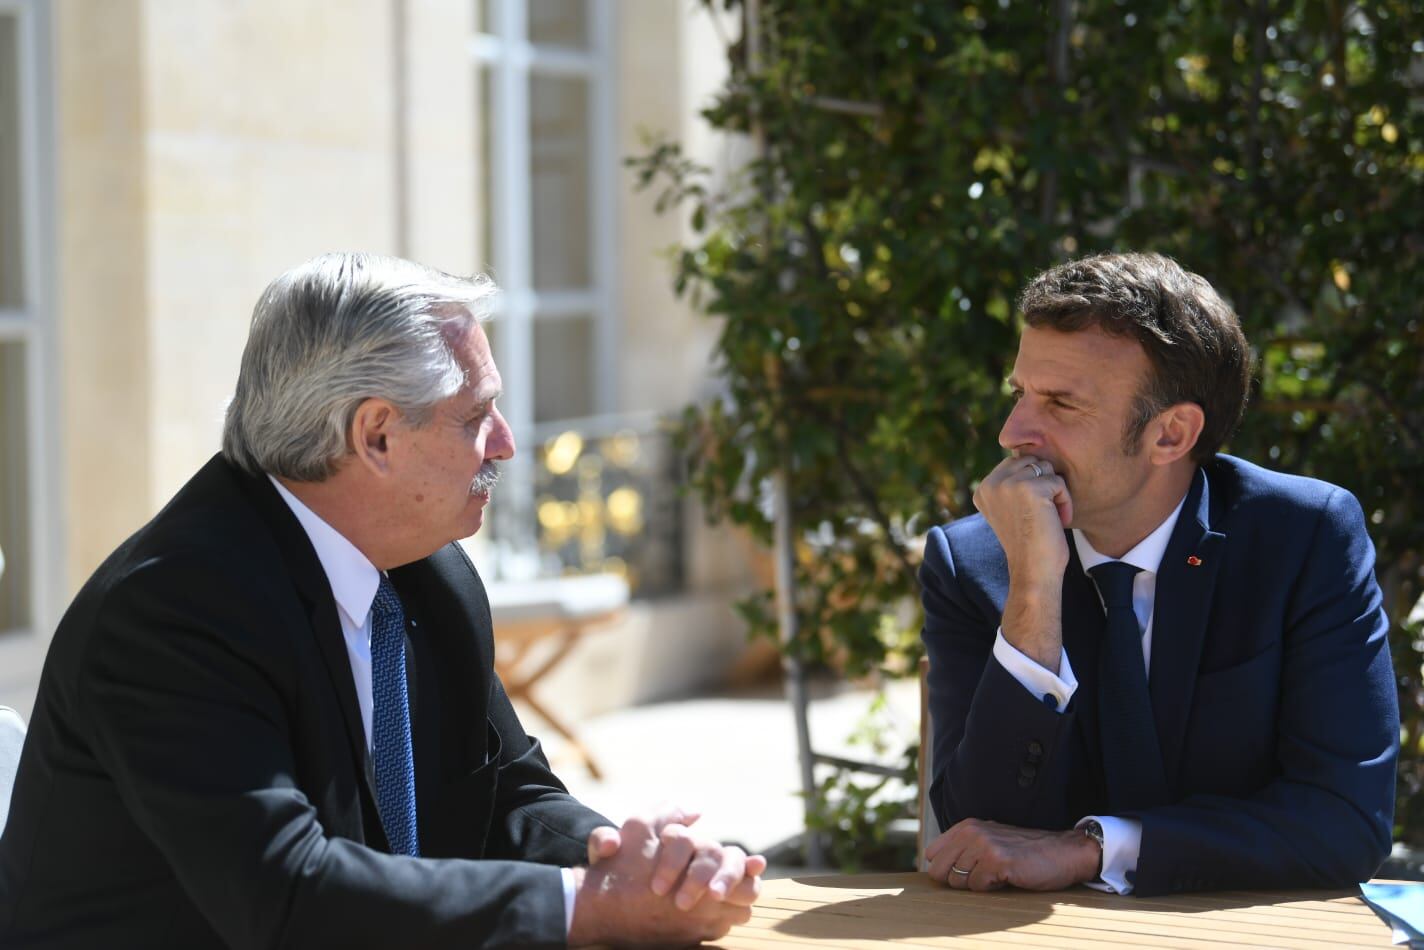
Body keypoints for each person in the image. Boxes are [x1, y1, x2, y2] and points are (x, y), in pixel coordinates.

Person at [0, 252, 763, 948]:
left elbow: (509, 793)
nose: (504, 443)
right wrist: (587, 905)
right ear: (376, 438)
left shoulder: (429, 573)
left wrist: (633, 864)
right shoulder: (173, 613)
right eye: (475, 416)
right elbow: (287, 894)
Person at [919, 252, 1398, 896]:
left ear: (1171, 435)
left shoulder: (1304, 538)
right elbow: (976, 829)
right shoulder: (969, 561)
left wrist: (1093, 847)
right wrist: (1035, 586)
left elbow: (1344, 824)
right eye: (1020, 394)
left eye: (1060, 404)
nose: (1013, 432)